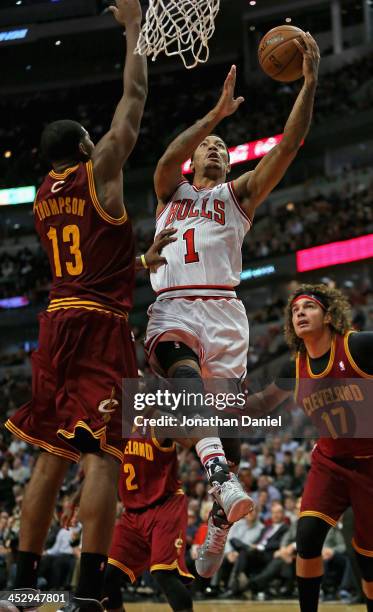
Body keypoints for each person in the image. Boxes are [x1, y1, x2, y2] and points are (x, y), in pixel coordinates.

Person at [145, 31, 320, 578]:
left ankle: (220, 518)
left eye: (222, 145)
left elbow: (288, 147)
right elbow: (167, 158)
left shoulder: (236, 197)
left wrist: (310, 82)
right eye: (210, 146)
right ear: (196, 158)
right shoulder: (169, 194)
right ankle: (220, 476)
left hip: (225, 312)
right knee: (184, 380)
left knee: (230, 430)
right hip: (173, 308)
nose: (217, 148)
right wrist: (214, 115)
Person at [3, 1, 153, 609]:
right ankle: (87, 589)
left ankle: (18, 586)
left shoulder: (42, 194)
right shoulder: (101, 173)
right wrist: (136, 27)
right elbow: (135, 100)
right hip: (98, 324)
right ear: (88, 145)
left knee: (49, 455)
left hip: (55, 322)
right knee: (103, 454)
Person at [248, 283, 373, 612]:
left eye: (309, 307)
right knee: (306, 536)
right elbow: (259, 405)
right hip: (330, 462)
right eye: (295, 310)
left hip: (370, 463)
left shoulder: (358, 346)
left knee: (369, 561)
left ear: (329, 315)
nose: (300, 313)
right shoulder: (294, 367)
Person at [103, 428, 195, 612]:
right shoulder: (115, 426)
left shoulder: (157, 421)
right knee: (107, 575)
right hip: (132, 513)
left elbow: (192, 442)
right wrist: (75, 499)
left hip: (165, 505)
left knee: (163, 573)